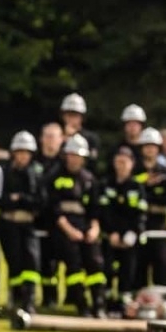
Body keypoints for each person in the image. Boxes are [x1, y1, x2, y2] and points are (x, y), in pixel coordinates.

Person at [50, 133, 104, 316]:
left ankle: (99, 303)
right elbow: (53, 208)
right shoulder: (55, 176)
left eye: (78, 156)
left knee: (95, 262)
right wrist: (69, 230)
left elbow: (95, 209)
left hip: (85, 227)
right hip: (64, 229)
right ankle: (82, 304)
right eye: (72, 155)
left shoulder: (89, 179)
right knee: (74, 264)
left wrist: (94, 229)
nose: (75, 159)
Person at [0, 129, 43, 327]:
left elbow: (40, 201)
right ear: (14, 152)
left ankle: (29, 301)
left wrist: (20, 198)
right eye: (20, 151)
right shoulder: (4, 172)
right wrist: (15, 200)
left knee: (32, 262)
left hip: (28, 224)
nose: (23, 156)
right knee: (14, 262)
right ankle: (15, 300)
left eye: (27, 152)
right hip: (8, 224)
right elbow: (2, 200)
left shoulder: (37, 173)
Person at [99, 145, 146, 304]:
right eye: (119, 162)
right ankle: (105, 299)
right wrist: (111, 232)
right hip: (109, 236)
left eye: (125, 162)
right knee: (107, 268)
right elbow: (105, 211)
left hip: (129, 238)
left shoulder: (136, 187)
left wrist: (133, 232)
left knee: (128, 268)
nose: (121, 165)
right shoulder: (106, 184)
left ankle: (124, 298)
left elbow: (140, 213)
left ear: (132, 164)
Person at [135, 127, 166, 288]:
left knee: (162, 260)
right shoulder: (135, 170)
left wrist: (145, 192)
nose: (150, 149)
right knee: (139, 263)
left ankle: (164, 301)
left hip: (159, 222)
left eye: (153, 146)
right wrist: (147, 188)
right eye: (147, 146)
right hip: (139, 222)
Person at [35, 122, 66, 306]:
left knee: (56, 261)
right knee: (41, 260)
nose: (50, 141)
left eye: (54, 136)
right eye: (47, 136)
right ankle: (44, 298)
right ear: (41, 139)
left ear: (61, 139)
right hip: (38, 219)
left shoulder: (66, 164)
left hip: (59, 220)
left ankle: (59, 298)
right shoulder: (34, 161)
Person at [60, 93, 100, 161]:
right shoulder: (56, 136)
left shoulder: (91, 138)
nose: (71, 118)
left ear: (82, 117)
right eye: (69, 114)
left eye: (75, 115)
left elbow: (93, 160)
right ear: (63, 116)